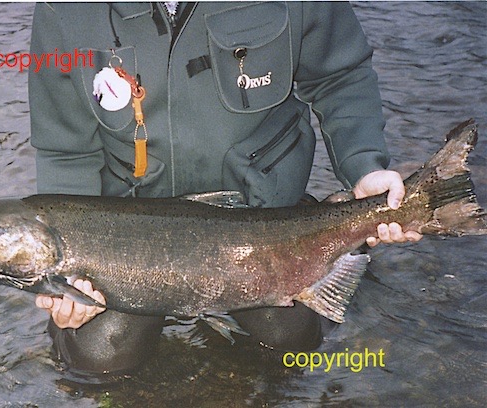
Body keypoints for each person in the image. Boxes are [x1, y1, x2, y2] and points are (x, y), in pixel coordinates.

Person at [28, 2, 422, 376]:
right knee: (97, 358)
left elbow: (340, 76)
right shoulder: (62, 7)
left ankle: (336, 250)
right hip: (128, 238)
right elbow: (66, 151)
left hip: (265, 218)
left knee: (291, 343)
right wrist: (65, 276)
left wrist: (364, 167)